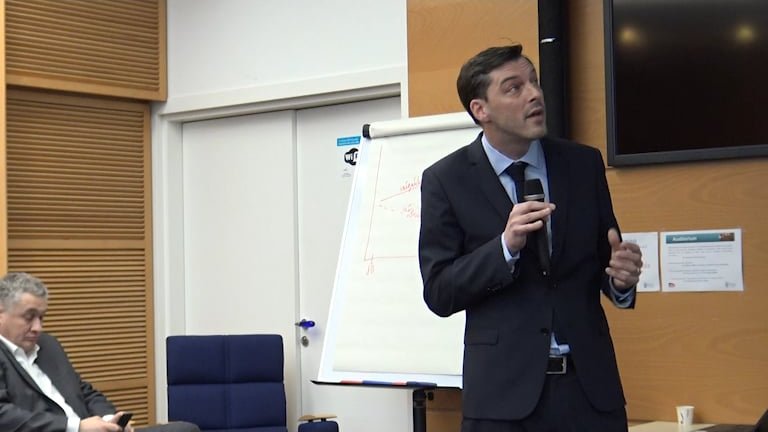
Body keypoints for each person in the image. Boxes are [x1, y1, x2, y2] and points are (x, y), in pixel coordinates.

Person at [418, 44, 643, 432]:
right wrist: (504, 248)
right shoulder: (446, 180)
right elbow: (439, 292)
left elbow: (604, 262)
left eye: (534, 82)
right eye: (514, 87)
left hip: (589, 393)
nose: (535, 94)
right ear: (481, 109)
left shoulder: (582, 164)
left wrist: (621, 281)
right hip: (502, 400)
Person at [0, 271, 200, 432]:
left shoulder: (48, 345)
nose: (38, 327)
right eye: (29, 317)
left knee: (185, 429)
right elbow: (4, 416)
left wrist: (109, 420)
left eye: (41, 318)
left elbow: (84, 391)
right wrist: (76, 427)